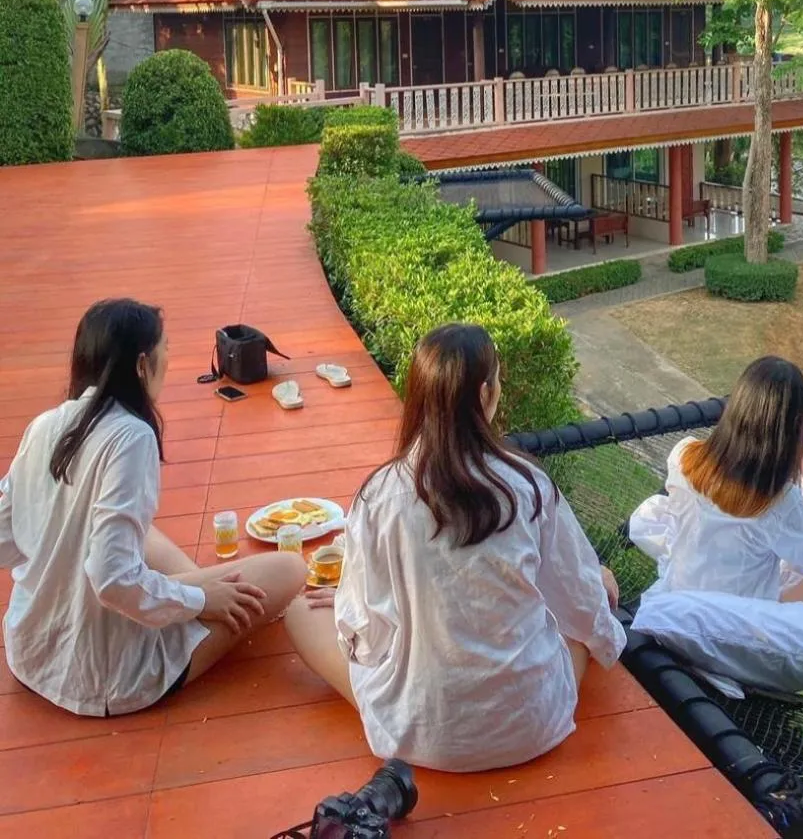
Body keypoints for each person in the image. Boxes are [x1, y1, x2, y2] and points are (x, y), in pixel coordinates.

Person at [286, 323, 625, 772]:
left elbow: (366, 637)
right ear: (486, 392)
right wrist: (600, 591)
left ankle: (394, 714)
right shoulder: (527, 486)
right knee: (593, 588)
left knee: (297, 611)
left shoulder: (380, 495)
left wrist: (353, 601)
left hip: (420, 735)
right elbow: (580, 603)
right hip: (530, 729)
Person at [0, 298, 305, 716]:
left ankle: (198, 586)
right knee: (289, 569)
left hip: (32, 651)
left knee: (140, 533)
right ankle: (202, 591)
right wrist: (200, 599)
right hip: (111, 676)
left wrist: (55, 551)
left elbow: (5, 538)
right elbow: (111, 579)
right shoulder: (131, 437)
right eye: (166, 351)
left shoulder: (45, 425)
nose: (169, 361)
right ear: (142, 365)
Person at [638, 356, 803, 604]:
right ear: (792, 430)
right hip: (737, 621)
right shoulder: (776, 502)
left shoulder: (683, 456)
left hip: (677, 599)